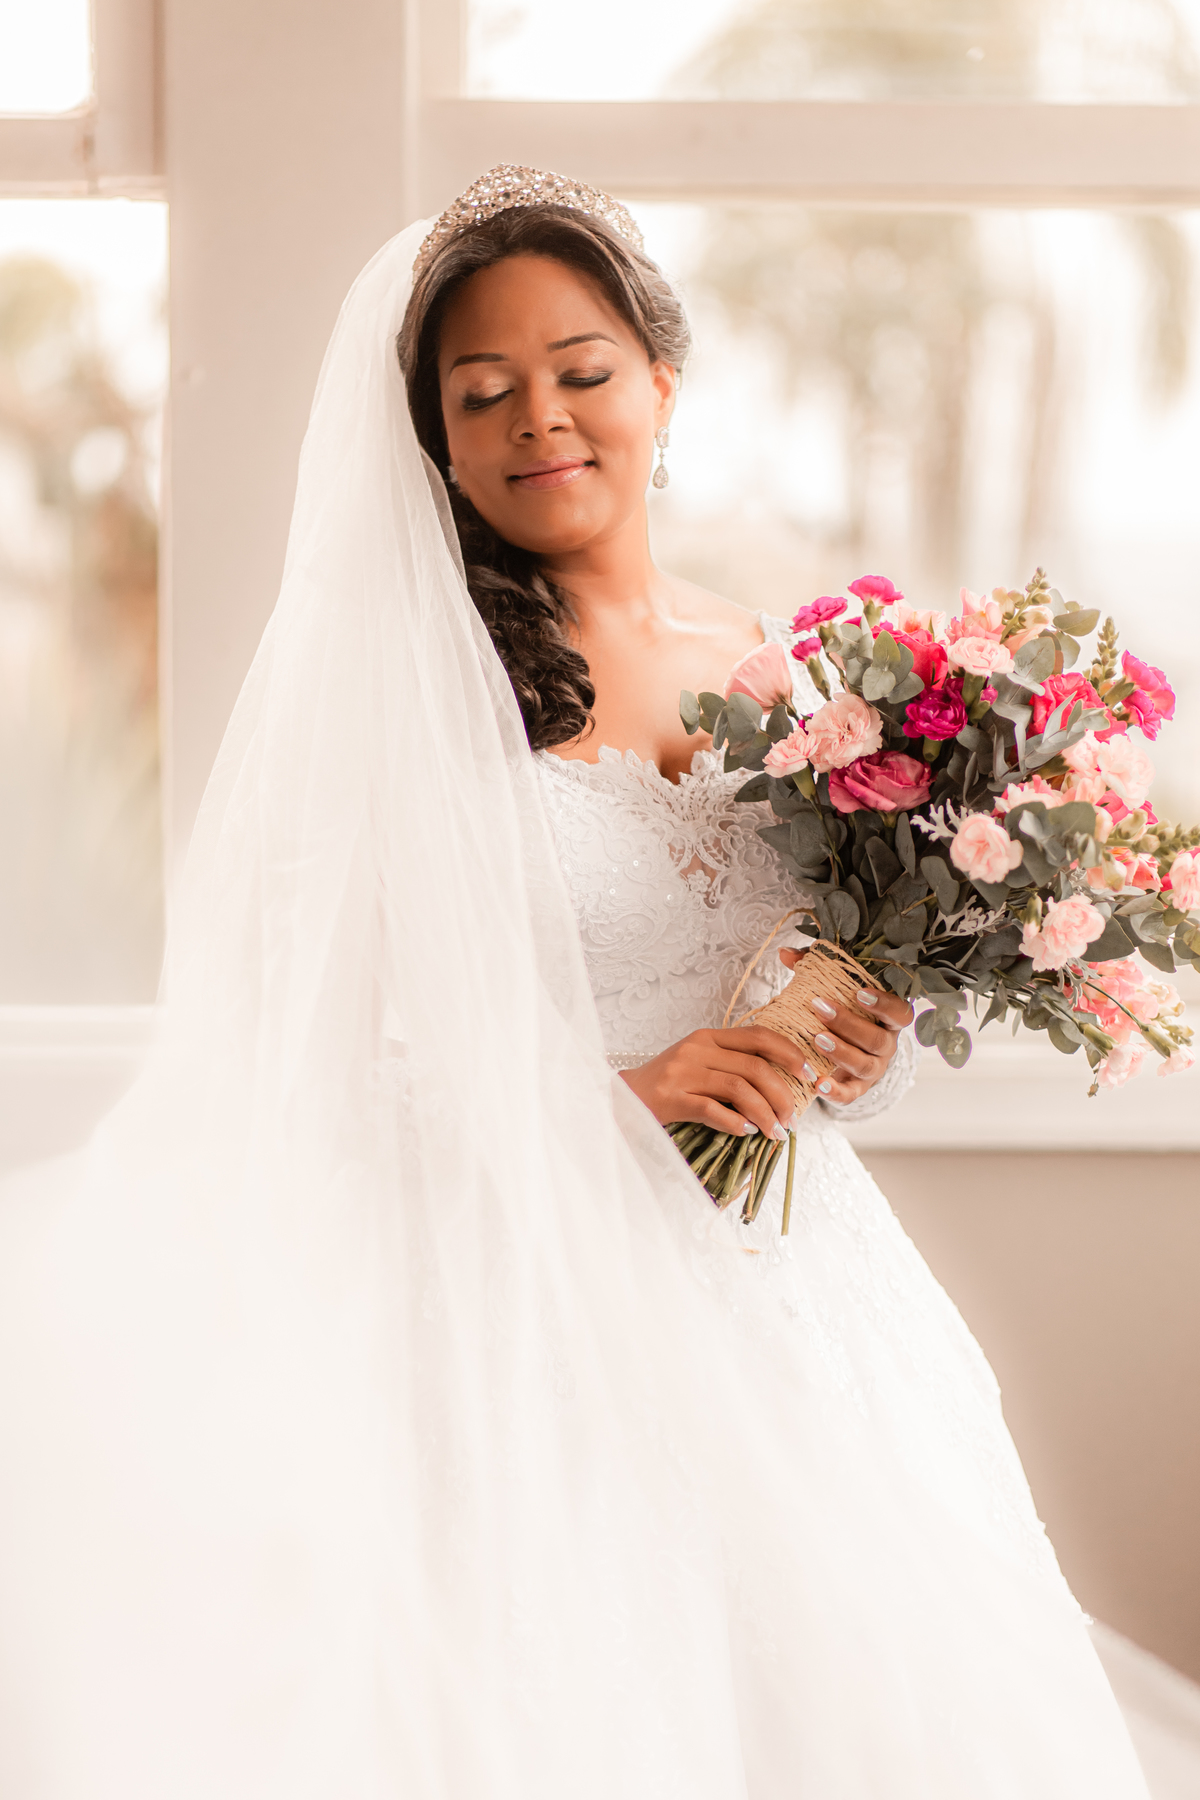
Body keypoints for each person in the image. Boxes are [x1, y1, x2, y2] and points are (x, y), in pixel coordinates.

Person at [0, 168, 1152, 1798]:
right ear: (441, 447)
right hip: (538, 1312)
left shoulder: (791, 673)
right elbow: (308, 1058)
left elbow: (846, 1023)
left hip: (804, 1297)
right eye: (485, 394)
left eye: (581, 370)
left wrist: (858, 1035)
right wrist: (614, 1102)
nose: (542, 418)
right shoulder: (413, 706)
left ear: (660, 387)